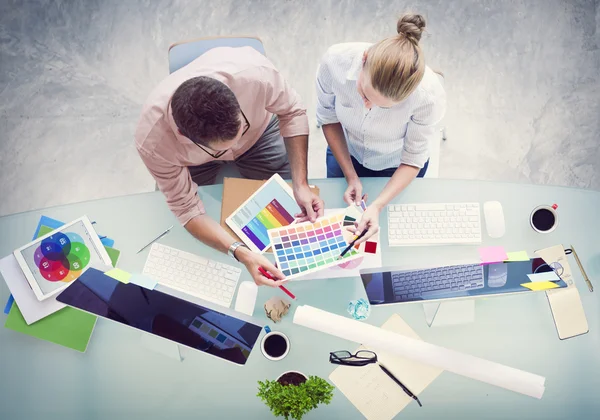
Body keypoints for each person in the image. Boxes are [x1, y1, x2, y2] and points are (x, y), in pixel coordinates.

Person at [135, 46, 323, 287]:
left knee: (289, 199)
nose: (235, 149)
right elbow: (187, 210)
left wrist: (301, 184)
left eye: (239, 128)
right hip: (193, 163)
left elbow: (293, 112)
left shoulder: (256, 74)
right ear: (183, 134)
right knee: (206, 231)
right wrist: (240, 251)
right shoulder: (152, 142)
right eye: (222, 148)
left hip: (259, 135)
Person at [316, 14, 446, 244]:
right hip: (346, 151)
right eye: (365, 95)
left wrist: (377, 205)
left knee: (386, 235)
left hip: (397, 165)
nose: (367, 106)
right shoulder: (334, 61)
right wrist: (350, 175)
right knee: (336, 225)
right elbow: (328, 117)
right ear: (364, 59)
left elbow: (413, 158)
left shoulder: (428, 96)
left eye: (383, 107)